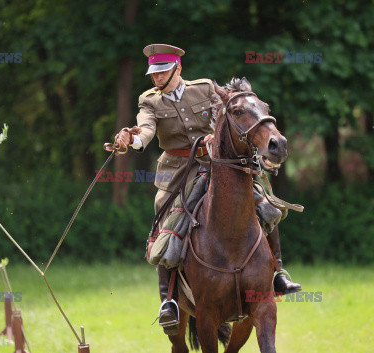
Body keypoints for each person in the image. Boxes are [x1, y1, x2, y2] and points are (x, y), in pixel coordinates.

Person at [111, 44, 301, 336]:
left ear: (178, 69)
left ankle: (277, 273)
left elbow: (228, 116)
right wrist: (131, 142)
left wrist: (221, 139)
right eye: (154, 74)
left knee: (266, 204)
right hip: (178, 171)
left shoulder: (204, 89)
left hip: (219, 161)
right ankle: (169, 301)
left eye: (162, 72)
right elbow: (146, 129)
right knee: (169, 223)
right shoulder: (149, 101)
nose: (157, 79)